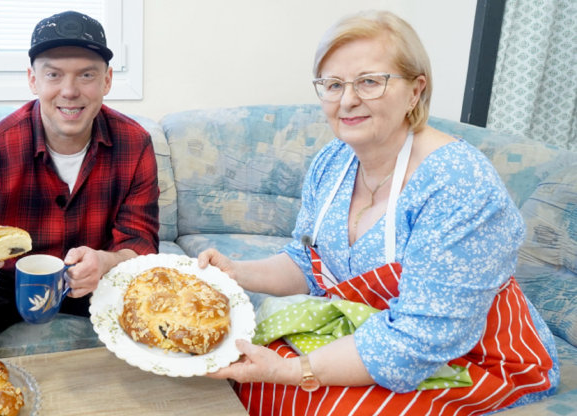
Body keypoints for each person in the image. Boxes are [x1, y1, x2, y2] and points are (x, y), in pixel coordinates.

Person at [198, 10, 559, 415]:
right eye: (333, 85)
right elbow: (311, 263)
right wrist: (236, 273)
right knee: (240, 362)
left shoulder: (458, 184)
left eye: (369, 82)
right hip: (368, 329)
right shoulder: (333, 162)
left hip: (465, 355)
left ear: (415, 90)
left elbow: (421, 339)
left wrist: (288, 371)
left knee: (313, 403)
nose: (348, 100)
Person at [0, 11, 159, 363]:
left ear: (106, 82)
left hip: (95, 278)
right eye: (54, 75)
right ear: (33, 80)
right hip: (9, 282)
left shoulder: (135, 144)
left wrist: (105, 261)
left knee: (156, 307)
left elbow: (140, 243)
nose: (70, 91)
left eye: (86, 75)